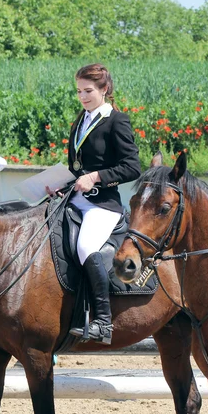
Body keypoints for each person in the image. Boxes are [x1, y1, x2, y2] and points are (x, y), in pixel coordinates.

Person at [48, 63, 141, 345]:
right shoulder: (80, 121)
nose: (83, 96)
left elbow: (132, 167)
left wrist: (97, 177)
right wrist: (59, 184)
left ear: (104, 89)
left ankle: (102, 320)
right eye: (78, 91)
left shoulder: (117, 121)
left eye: (88, 91)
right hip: (74, 199)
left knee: (86, 246)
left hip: (103, 205)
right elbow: (76, 167)